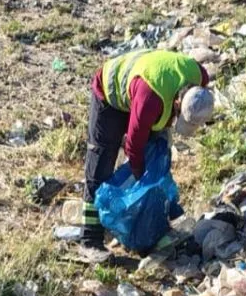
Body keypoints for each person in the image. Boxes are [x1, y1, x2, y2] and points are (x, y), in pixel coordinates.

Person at [80, 49, 209, 255]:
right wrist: (142, 179)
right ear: (177, 103)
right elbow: (133, 144)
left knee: (158, 158)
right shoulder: (151, 100)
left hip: (143, 90)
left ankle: (154, 227)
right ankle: (90, 239)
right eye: (178, 116)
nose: (175, 121)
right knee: (101, 163)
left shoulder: (200, 77)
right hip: (110, 92)